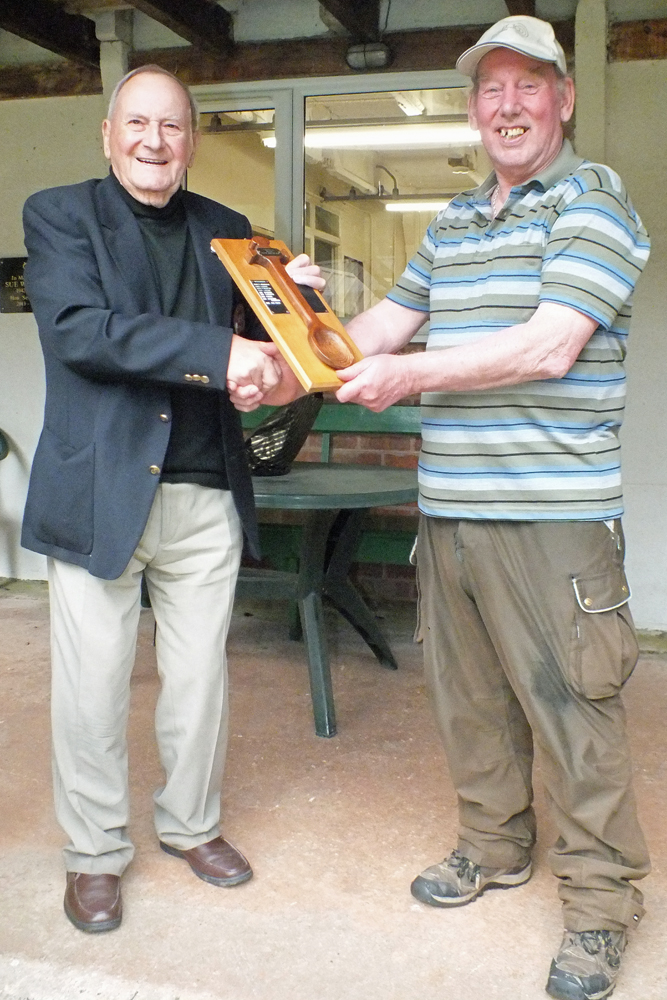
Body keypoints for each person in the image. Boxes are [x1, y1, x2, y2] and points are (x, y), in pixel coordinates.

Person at [326, 16, 649, 1000]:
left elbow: (548, 345)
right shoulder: (454, 223)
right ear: (472, 109)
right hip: (452, 512)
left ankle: (600, 905)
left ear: (563, 98)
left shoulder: (593, 203)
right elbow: (373, 330)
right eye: (488, 90)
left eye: (526, 86)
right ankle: (495, 842)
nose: (505, 106)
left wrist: (404, 375)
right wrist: (297, 329)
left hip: (552, 522)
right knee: (468, 703)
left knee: (573, 713)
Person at [21, 64, 322, 933]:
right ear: (108, 134)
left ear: (192, 139)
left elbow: (262, 347)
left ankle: (192, 827)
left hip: (203, 492)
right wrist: (216, 352)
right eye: (138, 125)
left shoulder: (227, 231)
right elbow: (81, 330)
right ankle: (94, 853)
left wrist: (292, 303)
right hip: (97, 492)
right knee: (92, 688)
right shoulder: (59, 215)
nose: (155, 142)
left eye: (173, 126)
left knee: (198, 683)